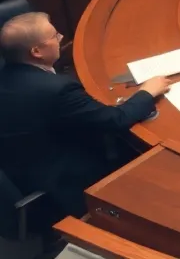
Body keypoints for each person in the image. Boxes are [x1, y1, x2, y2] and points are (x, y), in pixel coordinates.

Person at [0, 11, 171, 218]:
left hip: (20, 164)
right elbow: (116, 120)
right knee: (142, 148)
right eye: (55, 36)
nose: (61, 37)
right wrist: (147, 92)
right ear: (36, 51)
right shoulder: (56, 89)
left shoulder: (10, 76)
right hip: (62, 179)